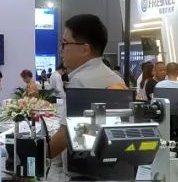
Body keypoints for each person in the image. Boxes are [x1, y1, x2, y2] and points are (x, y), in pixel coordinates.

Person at [48, 14, 126, 158]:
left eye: (64, 43)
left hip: (87, 163)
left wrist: (38, 157)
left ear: (85, 49)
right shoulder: (115, 78)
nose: (61, 49)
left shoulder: (80, 82)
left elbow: (65, 135)